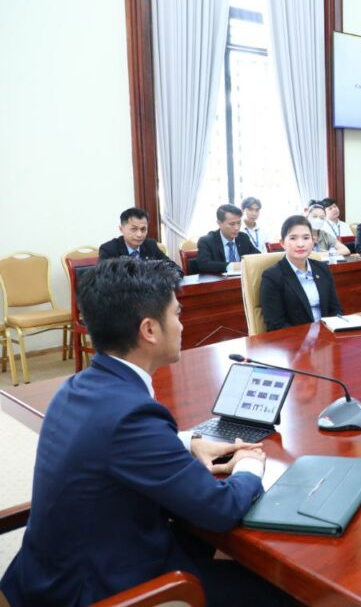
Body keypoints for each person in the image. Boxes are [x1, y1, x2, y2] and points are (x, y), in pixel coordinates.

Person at [0, 258, 290, 606]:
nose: (181, 325)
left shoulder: (78, 386)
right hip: (97, 591)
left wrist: (190, 443)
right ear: (150, 330)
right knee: (281, 589)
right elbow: (220, 509)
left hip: (47, 575)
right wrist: (248, 464)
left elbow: (108, 444)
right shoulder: (131, 416)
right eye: (177, 314)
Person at [260, 215, 343, 332]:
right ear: (282, 243)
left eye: (306, 238)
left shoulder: (322, 269)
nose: (300, 244)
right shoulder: (272, 276)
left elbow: (336, 309)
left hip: (327, 336)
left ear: (313, 241)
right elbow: (276, 324)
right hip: (294, 340)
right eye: (293, 238)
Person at [194, 204, 260, 274]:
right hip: (219, 280)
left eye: (239, 223)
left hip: (243, 279)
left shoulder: (243, 238)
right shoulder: (207, 241)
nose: (236, 228)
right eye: (232, 224)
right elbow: (203, 264)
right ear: (219, 223)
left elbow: (258, 257)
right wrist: (232, 266)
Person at [99, 207, 173, 262]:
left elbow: (172, 267)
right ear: (121, 229)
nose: (139, 235)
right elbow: (103, 276)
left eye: (143, 229)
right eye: (134, 229)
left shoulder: (150, 245)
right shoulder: (109, 249)